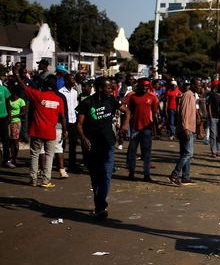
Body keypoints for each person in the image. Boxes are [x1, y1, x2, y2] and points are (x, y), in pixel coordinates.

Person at [77, 76, 129, 219]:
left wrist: (125, 125)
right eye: (108, 87)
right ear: (100, 88)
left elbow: (127, 111)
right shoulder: (87, 103)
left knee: (106, 176)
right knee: (95, 178)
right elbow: (79, 125)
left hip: (108, 144)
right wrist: (84, 138)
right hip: (92, 146)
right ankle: (99, 204)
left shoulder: (111, 100)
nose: (111, 89)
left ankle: (100, 206)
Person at [13, 65, 66, 188]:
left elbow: (24, 87)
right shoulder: (59, 100)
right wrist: (65, 130)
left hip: (36, 131)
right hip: (50, 132)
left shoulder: (38, 95)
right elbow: (62, 116)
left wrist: (16, 75)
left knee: (35, 155)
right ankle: (46, 181)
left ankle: (33, 179)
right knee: (49, 156)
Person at [123, 79, 159, 182]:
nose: (144, 88)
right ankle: (131, 172)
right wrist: (125, 124)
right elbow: (128, 111)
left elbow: (155, 113)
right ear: (139, 86)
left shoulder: (152, 98)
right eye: (143, 86)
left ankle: (146, 174)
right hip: (135, 128)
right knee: (132, 151)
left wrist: (156, 128)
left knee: (147, 152)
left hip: (147, 129)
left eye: (146, 87)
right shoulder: (133, 97)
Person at [168, 78, 200, 185]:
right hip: (186, 128)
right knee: (188, 153)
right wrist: (186, 128)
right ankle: (175, 174)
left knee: (185, 153)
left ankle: (185, 176)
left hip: (188, 127)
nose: (199, 88)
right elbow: (184, 112)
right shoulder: (188, 95)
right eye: (197, 85)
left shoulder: (192, 96)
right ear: (192, 85)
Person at [59, 74, 81, 173]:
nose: (74, 81)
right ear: (66, 80)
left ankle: (72, 164)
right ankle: (60, 164)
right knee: (62, 144)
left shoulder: (75, 92)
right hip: (64, 121)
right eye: (72, 79)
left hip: (74, 120)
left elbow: (75, 106)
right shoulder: (60, 92)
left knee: (73, 143)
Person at [7, 87, 26, 168]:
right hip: (9, 122)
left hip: (16, 122)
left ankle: (15, 158)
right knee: (10, 140)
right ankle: (11, 158)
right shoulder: (9, 100)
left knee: (15, 141)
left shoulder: (21, 101)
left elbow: (23, 112)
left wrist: (14, 116)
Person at [206, 80, 220, 157]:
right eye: (219, 85)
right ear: (216, 86)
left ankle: (217, 150)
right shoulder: (212, 94)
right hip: (213, 117)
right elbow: (209, 105)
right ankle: (213, 151)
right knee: (213, 134)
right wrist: (210, 115)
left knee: (218, 134)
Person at [0, 80, 12, 168]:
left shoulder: (4, 89)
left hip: (3, 117)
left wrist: (10, 116)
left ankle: (6, 160)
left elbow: (8, 103)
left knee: (5, 139)